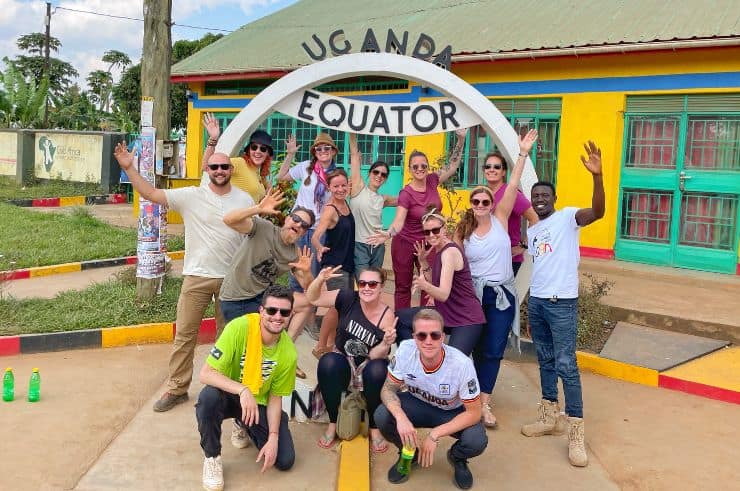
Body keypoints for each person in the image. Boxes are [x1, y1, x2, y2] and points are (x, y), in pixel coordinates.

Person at [113, 143, 253, 413]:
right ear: (207, 169)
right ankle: (177, 387)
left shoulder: (244, 200)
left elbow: (254, 234)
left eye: (225, 166)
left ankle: (226, 387)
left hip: (231, 280)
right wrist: (129, 168)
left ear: (231, 170)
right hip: (196, 277)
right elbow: (151, 193)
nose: (220, 170)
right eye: (214, 166)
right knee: (185, 334)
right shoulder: (191, 196)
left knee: (229, 337)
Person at [521, 141, 605, 468]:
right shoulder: (535, 230)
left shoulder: (569, 218)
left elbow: (597, 212)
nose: (540, 199)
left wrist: (597, 178)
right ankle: (548, 416)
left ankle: (575, 433)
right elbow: (537, 269)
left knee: (567, 365)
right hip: (540, 303)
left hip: (562, 305)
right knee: (544, 360)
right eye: (536, 196)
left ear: (554, 199)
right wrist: (529, 307)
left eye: (545, 196)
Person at [456, 130, 538, 429]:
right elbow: (450, 260)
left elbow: (514, 184)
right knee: (468, 347)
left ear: (493, 202)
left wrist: (522, 153)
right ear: (472, 203)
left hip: (501, 296)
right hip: (472, 297)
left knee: (493, 349)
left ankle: (483, 404)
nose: (481, 204)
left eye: (485, 200)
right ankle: (466, 397)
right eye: (476, 201)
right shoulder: (463, 231)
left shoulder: (502, 218)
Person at [196, 285, 298, 491]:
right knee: (208, 398)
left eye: (284, 312)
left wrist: (273, 438)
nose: (277, 317)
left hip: (257, 404)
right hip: (230, 395)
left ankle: (243, 422)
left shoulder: (288, 353)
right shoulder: (239, 328)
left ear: (290, 315)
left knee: (284, 460)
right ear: (261, 311)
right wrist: (243, 390)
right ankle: (212, 457)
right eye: (272, 310)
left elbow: (275, 399)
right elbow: (205, 374)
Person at [374, 309, 487, 489]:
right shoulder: (405, 350)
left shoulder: (461, 364)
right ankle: (409, 453)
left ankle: (457, 457)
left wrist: (434, 435)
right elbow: (388, 389)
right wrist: (401, 418)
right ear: (414, 337)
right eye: (421, 335)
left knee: (476, 440)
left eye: (434, 335)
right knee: (383, 415)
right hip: (418, 404)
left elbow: (474, 412)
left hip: (451, 411)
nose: (428, 341)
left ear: (443, 337)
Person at [218, 188, 316, 383]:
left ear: (305, 232)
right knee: (246, 353)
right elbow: (228, 220)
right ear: (287, 218)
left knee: (307, 303)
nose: (298, 224)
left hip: (261, 300)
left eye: (304, 225)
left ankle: (286, 348)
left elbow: (311, 292)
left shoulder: (295, 254)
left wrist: (307, 273)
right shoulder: (263, 228)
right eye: (296, 219)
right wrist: (257, 208)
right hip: (235, 298)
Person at [368, 129, 466, 309]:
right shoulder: (406, 193)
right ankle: (402, 325)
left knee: (429, 284)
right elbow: (399, 221)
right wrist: (388, 234)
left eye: (423, 166)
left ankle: (424, 320)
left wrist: (460, 140)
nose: (420, 169)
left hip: (430, 242)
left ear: (427, 167)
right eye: (415, 166)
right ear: (410, 169)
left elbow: (452, 167)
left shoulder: (432, 180)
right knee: (403, 287)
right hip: (405, 243)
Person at [306, 266, 397, 452]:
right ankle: (333, 422)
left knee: (379, 368)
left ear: (381, 287)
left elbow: (374, 355)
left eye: (373, 284)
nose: (367, 288)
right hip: (343, 359)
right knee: (328, 362)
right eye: (362, 283)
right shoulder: (348, 297)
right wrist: (320, 280)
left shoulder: (387, 316)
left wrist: (386, 343)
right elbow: (313, 298)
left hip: (367, 364)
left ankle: (374, 427)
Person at [402, 210, 485, 357]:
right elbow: (435, 283)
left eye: (435, 230)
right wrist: (422, 261)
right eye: (427, 232)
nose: (431, 235)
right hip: (447, 314)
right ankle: (417, 360)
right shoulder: (440, 250)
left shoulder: (449, 252)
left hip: (466, 319)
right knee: (400, 319)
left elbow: (443, 294)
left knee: (453, 363)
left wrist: (424, 285)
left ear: (444, 229)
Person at [277, 132, 339, 290]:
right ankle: (294, 308)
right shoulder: (306, 167)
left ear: (333, 151)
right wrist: (290, 154)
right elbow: (282, 176)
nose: (323, 151)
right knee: (296, 269)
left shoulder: (336, 175)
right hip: (299, 227)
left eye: (327, 148)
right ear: (314, 152)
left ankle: (310, 310)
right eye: (319, 149)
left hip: (319, 230)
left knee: (312, 271)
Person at [311, 169, 355, 357]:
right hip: (334, 266)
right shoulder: (330, 209)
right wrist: (319, 248)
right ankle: (321, 346)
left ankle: (329, 344)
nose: (340, 189)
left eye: (343, 185)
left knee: (340, 307)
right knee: (337, 306)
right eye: (336, 186)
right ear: (329, 187)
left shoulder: (346, 204)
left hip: (346, 263)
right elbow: (315, 236)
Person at [347, 132, 397, 277]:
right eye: (376, 172)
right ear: (369, 173)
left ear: (386, 179)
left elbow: (407, 200)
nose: (379, 176)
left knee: (374, 281)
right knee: (363, 280)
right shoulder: (358, 187)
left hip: (378, 246)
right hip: (359, 245)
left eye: (383, 174)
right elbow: (355, 156)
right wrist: (352, 131)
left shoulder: (384, 199)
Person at [483, 147, 538, 275]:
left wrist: (524, 246)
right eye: (488, 166)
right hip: (487, 256)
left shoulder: (511, 193)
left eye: (497, 167)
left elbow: (535, 217)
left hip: (508, 258)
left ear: (503, 172)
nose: (491, 169)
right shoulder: (484, 193)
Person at [201, 112, 272, 203]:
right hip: (233, 215)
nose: (258, 151)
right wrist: (213, 139)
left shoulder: (260, 174)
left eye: (262, 149)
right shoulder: (239, 163)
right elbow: (207, 166)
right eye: (254, 147)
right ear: (249, 150)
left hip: (250, 217)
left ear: (267, 153)